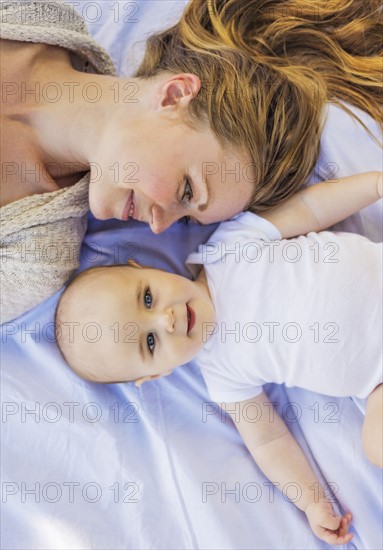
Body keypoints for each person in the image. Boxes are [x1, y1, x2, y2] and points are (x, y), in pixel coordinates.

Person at [55, 170, 382, 545]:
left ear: (144, 269)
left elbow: (308, 208)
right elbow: (269, 442)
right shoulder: (223, 376)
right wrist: (310, 501)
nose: (167, 318)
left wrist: (372, 186)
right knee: (375, 447)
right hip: (376, 377)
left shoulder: (226, 248)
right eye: (150, 343)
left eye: (147, 298)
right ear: (158, 373)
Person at [1, 0, 382, 322]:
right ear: (175, 94)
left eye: (184, 219)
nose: (157, 224)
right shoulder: (36, 19)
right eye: (187, 190)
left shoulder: (33, 258)